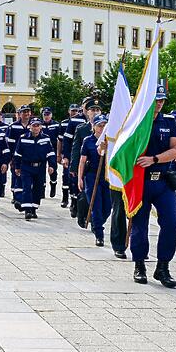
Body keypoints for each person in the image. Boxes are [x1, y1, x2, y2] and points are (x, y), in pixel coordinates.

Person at [129, 84, 176, 287]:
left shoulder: (169, 121)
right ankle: (139, 264)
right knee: (140, 225)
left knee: (170, 223)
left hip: (162, 180)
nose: (159, 104)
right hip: (140, 181)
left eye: (161, 100)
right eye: (155, 100)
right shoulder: (136, 120)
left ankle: (163, 266)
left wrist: (155, 159)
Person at [12, 117, 56, 220]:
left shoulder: (46, 138)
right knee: (27, 187)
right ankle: (27, 210)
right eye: (34, 126)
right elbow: (18, 154)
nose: (36, 128)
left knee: (38, 188)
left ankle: (34, 209)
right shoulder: (23, 138)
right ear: (30, 127)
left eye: (38, 125)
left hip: (40, 167)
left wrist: (52, 165)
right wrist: (17, 167)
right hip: (26, 166)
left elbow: (50, 153)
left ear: (41, 127)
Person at [78, 114, 110, 246]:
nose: (102, 128)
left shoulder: (111, 141)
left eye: (104, 125)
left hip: (107, 176)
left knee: (107, 207)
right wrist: (80, 178)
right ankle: (99, 234)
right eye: (99, 125)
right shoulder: (88, 140)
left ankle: (97, 222)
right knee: (96, 205)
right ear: (94, 126)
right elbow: (82, 160)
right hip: (92, 176)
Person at [70, 97, 102, 227]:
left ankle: (96, 221)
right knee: (85, 193)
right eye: (92, 110)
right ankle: (83, 215)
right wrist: (73, 167)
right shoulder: (81, 128)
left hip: (101, 167)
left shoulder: (107, 128)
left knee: (99, 196)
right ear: (86, 112)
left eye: (97, 110)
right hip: (87, 168)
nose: (95, 112)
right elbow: (76, 149)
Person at [5, 105, 33, 210]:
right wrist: (10, 158)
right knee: (16, 177)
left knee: (27, 180)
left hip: (30, 158)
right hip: (16, 157)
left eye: (28, 112)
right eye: (24, 112)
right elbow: (8, 144)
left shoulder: (33, 125)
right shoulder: (13, 127)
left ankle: (23, 199)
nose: (26, 114)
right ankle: (16, 197)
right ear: (19, 114)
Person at [58, 104, 85, 208]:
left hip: (85, 155)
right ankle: (66, 198)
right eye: (72, 110)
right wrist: (61, 155)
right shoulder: (70, 122)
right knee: (68, 177)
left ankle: (77, 202)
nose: (74, 112)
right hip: (71, 154)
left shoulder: (95, 121)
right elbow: (63, 140)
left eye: (76, 110)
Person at [40, 107, 61, 198]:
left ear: (51, 115)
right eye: (45, 115)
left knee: (53, 169)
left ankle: (53, 184)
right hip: (41, 150)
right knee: (41, 170)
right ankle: (42, 189)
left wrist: (60, 153)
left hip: (53, 150)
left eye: (48, 114)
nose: (46, 116)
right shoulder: (39, 124)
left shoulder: (56, 125)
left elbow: (60, 139)